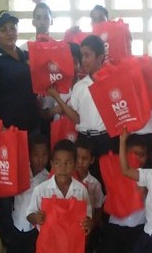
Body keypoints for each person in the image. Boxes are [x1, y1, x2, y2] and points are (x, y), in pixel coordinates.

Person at [0, 10, 43, 251]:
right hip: (7, 135)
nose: (10, 33)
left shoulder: (26, 56)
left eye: (13, 28)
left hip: (32, 129)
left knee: (31, 181)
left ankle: (30, 230)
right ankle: (8, 233)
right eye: (4, 29)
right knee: (8, 184)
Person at [26, 140, 109, 253]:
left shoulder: (80, 190)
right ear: (52, 164)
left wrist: (88, 224)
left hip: (73, 248)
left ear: (75, 164)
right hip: (52, 250)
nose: (63, 167)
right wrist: (36, 218)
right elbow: (29, 214)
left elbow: (88, 218)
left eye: (68, 163)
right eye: (58, 163)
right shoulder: (42, 190)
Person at [47, 35, 113, 187]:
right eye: (82, 56)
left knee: (105, 181)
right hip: (84, 140)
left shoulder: (111, 82)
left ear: (100, 57)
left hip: (106, 140)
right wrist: (57, 97)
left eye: (87, 55)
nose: (84, 60)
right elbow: (76, 119)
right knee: (83, 180)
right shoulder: (80, 86)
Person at [99, 134, 148, 253]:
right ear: (124, 154)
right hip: (116, 225)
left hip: (137, 228)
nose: (138, 158)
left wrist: (145, 190)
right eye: (134, 154)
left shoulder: (148, 176)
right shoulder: (114, 171)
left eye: (142, 155)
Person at [8, 133, 49, 253]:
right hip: (16, 224)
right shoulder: (20, 171)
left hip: (33, 228)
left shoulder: (48, 178)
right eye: (36, 155)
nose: (40, 159)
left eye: (44, 155)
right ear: (29, 155)